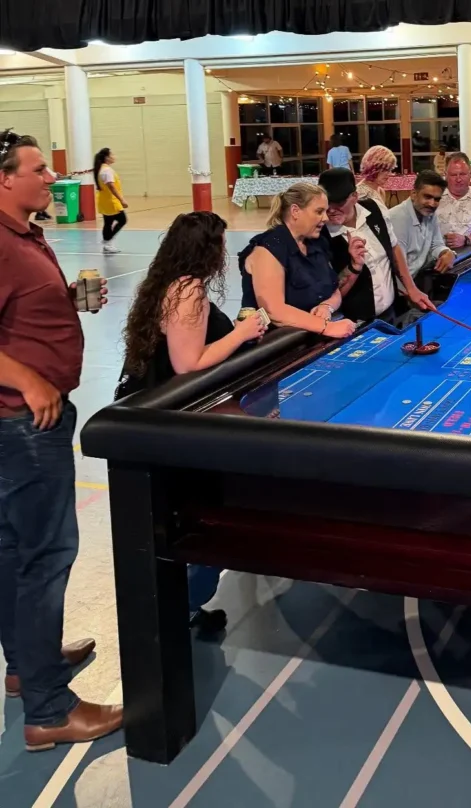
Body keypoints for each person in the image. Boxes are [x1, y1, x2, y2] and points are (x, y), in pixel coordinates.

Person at [0, 129, 122, 750]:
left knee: (12, 550)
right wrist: (28, 379)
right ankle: (49, 710)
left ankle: (27, 665)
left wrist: (63, 302)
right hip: (25, 424)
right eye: (39, 169)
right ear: (4, 178)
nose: (53, 178)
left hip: (24, 422)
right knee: (46, 557)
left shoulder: (25, 234)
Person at [119, 211, 269, 633]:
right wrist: (241, 334)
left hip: (155, 416)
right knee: (198, 517)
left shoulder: (168, 283)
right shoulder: (189, 291)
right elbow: (188, 363)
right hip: (171, 426)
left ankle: (181, 604)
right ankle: (179, 607)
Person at [239, 182, 360, 339]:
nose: (325, 218)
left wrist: (327, 306)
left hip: (312, 338)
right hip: (278, 344)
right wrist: (326, 327)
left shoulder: (317, 243)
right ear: (295, 211)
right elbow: (274, 310)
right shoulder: (268, 249)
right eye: (319, 211)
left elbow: (333, 289)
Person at [321, 167, 432, 321]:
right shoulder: (320, 234)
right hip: (353, 323)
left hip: (391, 313)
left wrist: (411, 288)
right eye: (327, 203)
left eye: (339, 202)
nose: (331, 210)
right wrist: (353, 267)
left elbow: (393, 247)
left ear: (354, 196)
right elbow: (329, 293)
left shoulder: (375, 209)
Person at [389, 170, 455, 291]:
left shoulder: (429, 213)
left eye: (437, 199)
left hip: (414, 283)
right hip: (395, 289)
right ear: (413, 194)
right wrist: (412, 294)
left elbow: (436, 244)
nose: (432, 204)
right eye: (427, 197)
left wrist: (447, 253)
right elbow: (398, 265)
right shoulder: (398, 218)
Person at [435, 151, 471, 249]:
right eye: (453, 175)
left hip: (469, 253)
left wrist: (465, 240)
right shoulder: (434, 196)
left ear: (470, 173)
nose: (458, 179)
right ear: (445, 175)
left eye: (462, 174)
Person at [94, 147, 128, 255]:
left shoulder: (102, 169)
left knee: (108, 222)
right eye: (112, 155)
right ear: (107, 157)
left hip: (105, 200)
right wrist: (122, 200)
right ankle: (108, 242)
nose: (114, 156)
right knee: (122, 220)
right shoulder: (106, 171)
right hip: (111, 201)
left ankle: (107, 243)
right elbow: (112, 187)